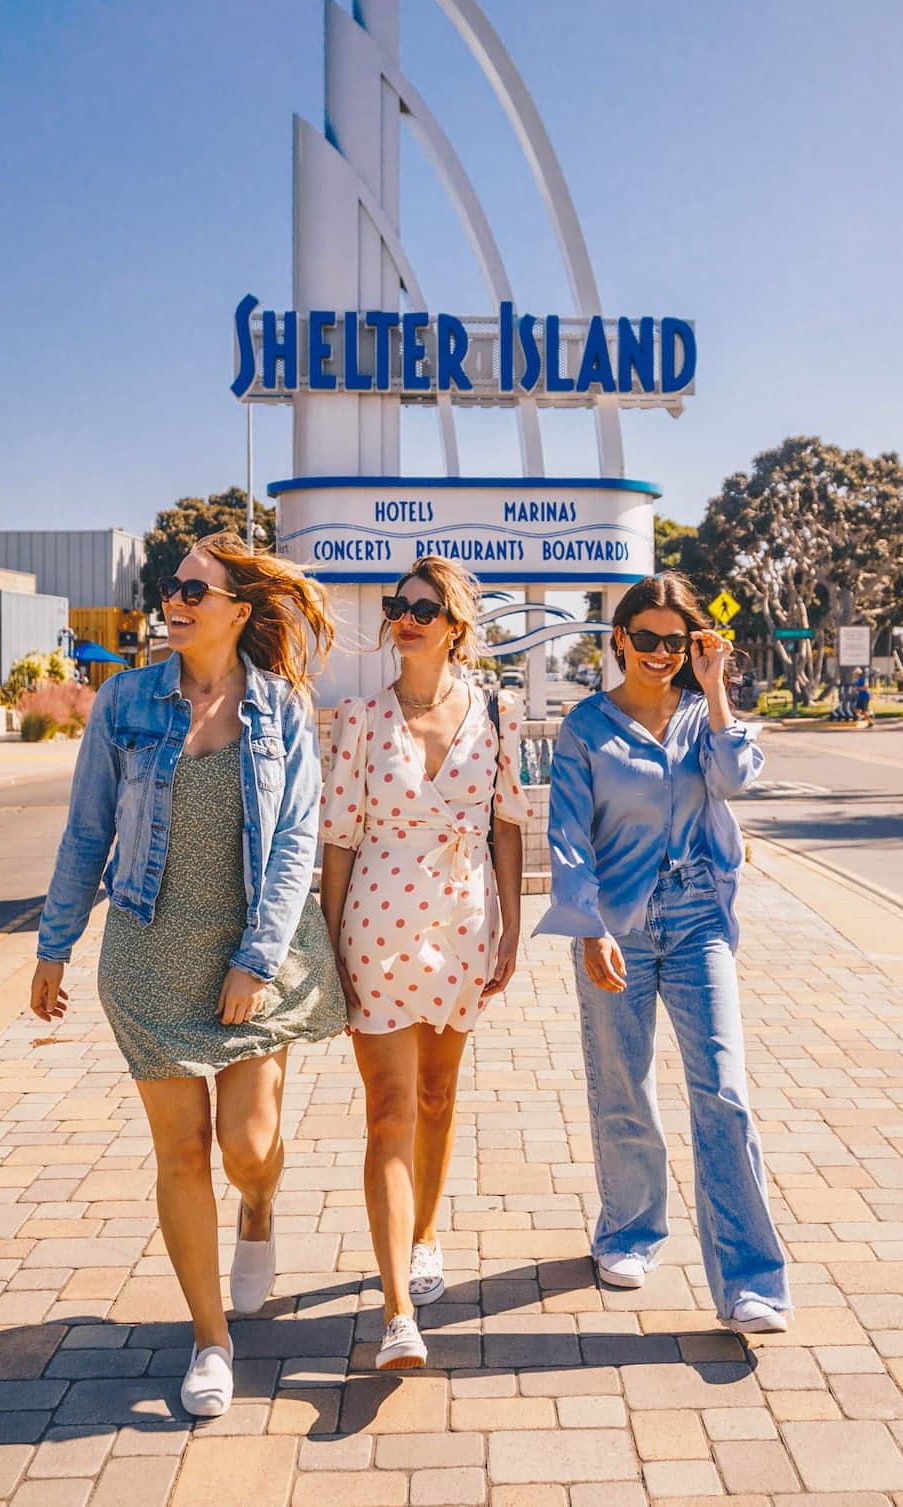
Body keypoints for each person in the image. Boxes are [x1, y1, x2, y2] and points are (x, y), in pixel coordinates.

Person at [30, 531, 347, 1418]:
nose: (175, 601)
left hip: (256, 950)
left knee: (247, 1144)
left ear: (239, 611)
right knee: (180, 1151)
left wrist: (255, 959)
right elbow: (87, 832)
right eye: (172, 587)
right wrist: (53, 944)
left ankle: (259, 1207)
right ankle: (212, 1338)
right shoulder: (125, 701)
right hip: (147, 951)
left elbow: (294, 847)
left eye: (195, 591)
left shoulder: (281, 707)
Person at [540, 572, 792, 1334]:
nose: (657, 652)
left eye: (673, 641)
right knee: (624, 1086)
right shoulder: (586, 727)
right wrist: (588, 928)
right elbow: (568, 836)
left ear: (692, 644)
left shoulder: (699, 716)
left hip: (696, 922)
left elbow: (736, 777)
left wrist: (716, 688)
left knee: (722, 1088)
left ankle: (752, 1279)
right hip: (615, 925)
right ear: (619, 640)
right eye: (644, 638)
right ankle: (630, 1229)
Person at [320, 556, 526, 1370]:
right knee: (388, 1110)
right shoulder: (361, 718)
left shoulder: (497, 711)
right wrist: (328, 945)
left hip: (463, 922)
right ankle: (397, 1309)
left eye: (423, 606)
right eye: (397, 604)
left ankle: (427, 1231)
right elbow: (339, 835)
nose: (405, 616)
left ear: (455, 625)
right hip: (376, 923)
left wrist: (511, 922)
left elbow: (507, 823)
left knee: (439, 1094)